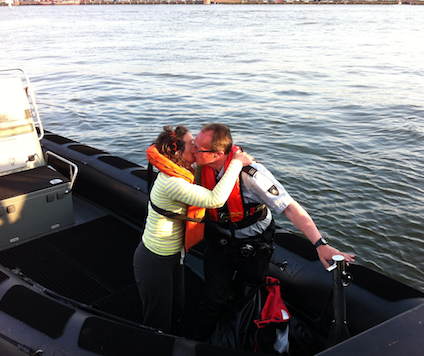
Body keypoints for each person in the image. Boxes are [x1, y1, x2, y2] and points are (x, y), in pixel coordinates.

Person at [192, 123, 355, 342]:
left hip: (252, 245)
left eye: (198, 148)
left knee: (250, 292)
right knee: (212, 298)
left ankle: (248, 338)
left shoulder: (252, 175)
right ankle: (198, 341)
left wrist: (320, 244)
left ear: (217, 154)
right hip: (219, 241)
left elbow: (289, 207)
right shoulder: (201, 166)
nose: (193, 151)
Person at [133, 125, 254, 334]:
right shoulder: (171, 182)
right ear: (177, 152)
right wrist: (236, 163)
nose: (196, 149)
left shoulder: (182, 171)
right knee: (158, 321)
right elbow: (214, 200)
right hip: (155, 259)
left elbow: (200, 170)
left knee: (177, 309)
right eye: (192, 145)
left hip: (173, 255)